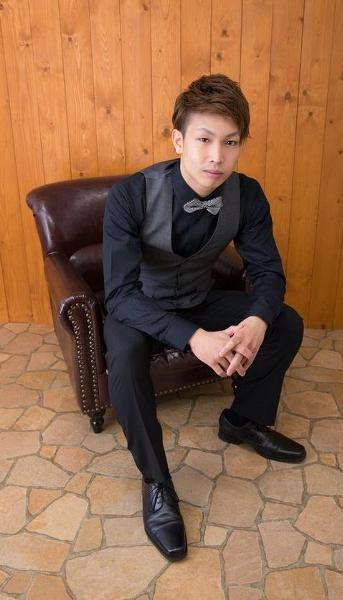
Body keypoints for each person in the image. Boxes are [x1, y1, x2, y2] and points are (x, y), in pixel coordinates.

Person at [102, 73, 305, 562]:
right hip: (140, 306)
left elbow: (268, 272)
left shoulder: (248, 195)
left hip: (198, 296)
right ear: (178, 140)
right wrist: (194, 337)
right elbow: (119, 294)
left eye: (230, 142)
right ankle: (157, 483)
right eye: (204, 139)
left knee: (285, 322)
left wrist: (257, 320)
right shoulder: (130, 195)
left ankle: (242, 421)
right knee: (124, 359)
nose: (217, 156)